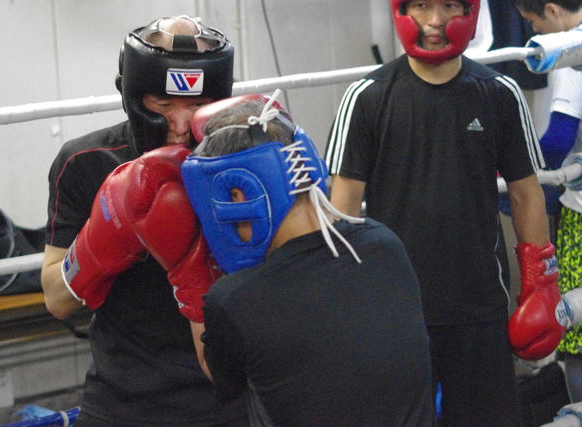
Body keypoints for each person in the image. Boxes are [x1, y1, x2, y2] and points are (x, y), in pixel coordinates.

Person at [324, 0, 564, 425]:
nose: (435, 21)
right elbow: (341, 211)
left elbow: (527, 195)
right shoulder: (367, 96)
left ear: (470, 11)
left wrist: (540, 283)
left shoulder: (499, 93)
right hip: (394, 308)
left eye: (449, 5)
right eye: (422, 6)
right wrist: (346, 301)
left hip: (479, 306)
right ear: (402, 10)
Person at [167, 92, 435, 426]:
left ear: (236, 196)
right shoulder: (384, 245)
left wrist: (188, 273)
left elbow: (221, 377)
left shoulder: (237, 299)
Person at [40, 15, 247, 426]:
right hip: (122, 401)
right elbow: (56, 301)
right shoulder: (86, 162)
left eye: (197, 106)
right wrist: (102, 242)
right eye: (163, 105)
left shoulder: (243, 161)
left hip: (228, 396)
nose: (181, 125)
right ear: (131, 95)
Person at [515, 0, 582, 403]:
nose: (535, 33)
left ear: (552, 10)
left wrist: (516, 178)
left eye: (533, 22)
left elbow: (558, 138)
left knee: (575, 330)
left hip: (581, 213)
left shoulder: (571, 53)